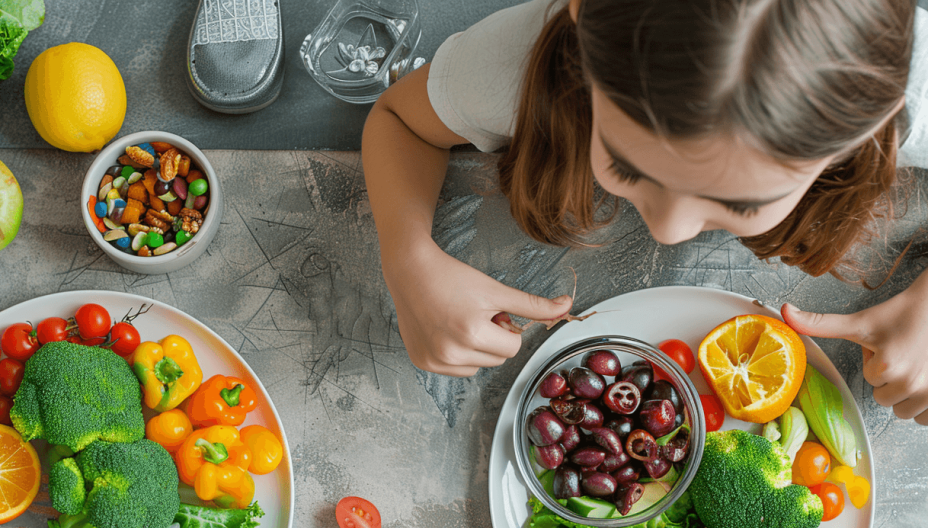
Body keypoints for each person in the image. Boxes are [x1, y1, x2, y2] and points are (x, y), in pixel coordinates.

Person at [362, 0, 928, 425]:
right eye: (628, 166)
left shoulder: (906, 82)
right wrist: (408, 257)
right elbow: (398, 120)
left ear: (868, 132)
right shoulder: (520, 59)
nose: (668, 229)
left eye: (741, 204)